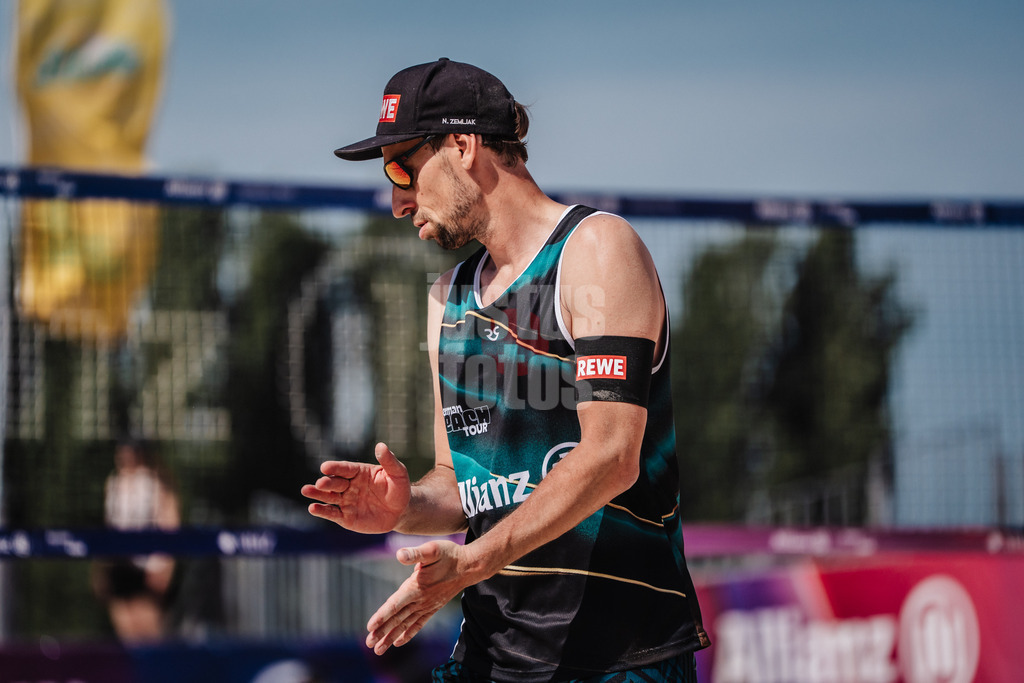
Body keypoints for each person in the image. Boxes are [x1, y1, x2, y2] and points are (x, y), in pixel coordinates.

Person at [303, 58, 710, 682]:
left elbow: (612, 457)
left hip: (618, 656)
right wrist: (404, 506)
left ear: (463, 146)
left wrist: (473, 563)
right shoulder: (447, 296)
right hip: (493, 654)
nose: (397, 202)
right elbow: (461, 486)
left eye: (401, 169)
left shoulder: (595, 250)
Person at [93, 438, 180, 642]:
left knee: (149, 635)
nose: (122, 456)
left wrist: (164, 568)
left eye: (127, 451)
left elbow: (170, 525)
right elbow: (109, 525)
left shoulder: (156, 483)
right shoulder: (114, 483)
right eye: (120, 451)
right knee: (127, 633)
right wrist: (101, 565)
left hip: (148, 568)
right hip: (119, 566)